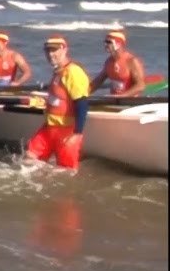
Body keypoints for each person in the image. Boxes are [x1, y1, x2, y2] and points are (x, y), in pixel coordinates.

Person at [25, 35, 90, 170]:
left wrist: (77, 133)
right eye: (48, 51)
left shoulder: (73, 72)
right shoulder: (58, 72)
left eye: (54, 50)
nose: (50, 54)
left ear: (64, 50)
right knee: (29, 158)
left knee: (67, 171)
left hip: (66, 130)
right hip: (49, 128)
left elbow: (82, 103)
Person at [88, 30, 147, 97]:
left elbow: (140, 86)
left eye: (109, 42)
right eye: (105, 42)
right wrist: (83, 94)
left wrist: (123, 96)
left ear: (119, 44)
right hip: (114, 100)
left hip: (129, 101)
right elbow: (98, 81)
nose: (105, 45)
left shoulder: (132, 61)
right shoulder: (109, 61)